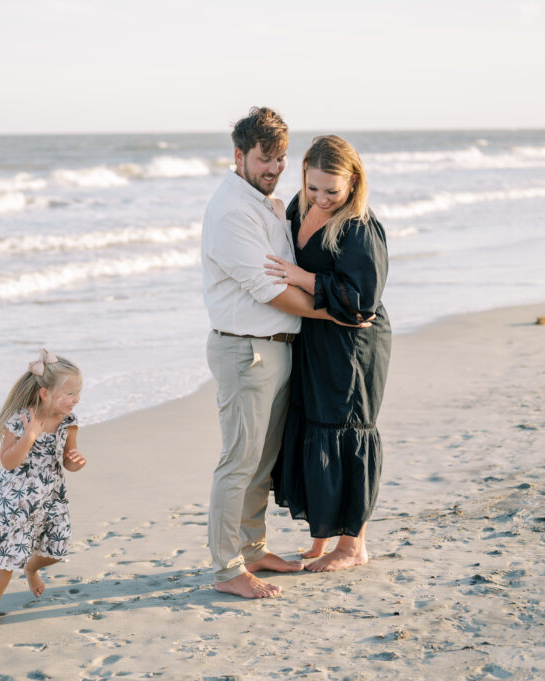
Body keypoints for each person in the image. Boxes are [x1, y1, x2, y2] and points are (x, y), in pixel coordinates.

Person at [201, 108, 369, 599]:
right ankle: (228, 568)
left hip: (276, 349)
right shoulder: (232, 211)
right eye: (263, 159)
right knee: (238, 461)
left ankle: (253, 550)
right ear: (239, 156)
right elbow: (268, 290)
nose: (273, 168)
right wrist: (335, 314)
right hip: (244, 351)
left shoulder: (268, 204)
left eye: (279, 159)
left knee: (261, 461)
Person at [265, 134, 391, 572]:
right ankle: (322, 535)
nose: (320, 198)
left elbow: (361, 301)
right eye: (313, 186)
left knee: (346, 428)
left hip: (352, 344)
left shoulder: (360, 227)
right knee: (315, 423)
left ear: (353, 182)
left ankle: (352, 546)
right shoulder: (300, 207)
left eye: (331, 191)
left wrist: (301, 277)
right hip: (314, 335)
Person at [0, 349, 87, 625]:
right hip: (17, 500)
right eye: (70, 394)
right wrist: (29, 437)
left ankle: (32, 569)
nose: (76, 399)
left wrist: (76, 462)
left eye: (78, 393)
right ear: (45, 394)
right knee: (7, 556)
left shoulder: (68, 422)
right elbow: (8, 462)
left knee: (57, 549)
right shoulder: (20, 420)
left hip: (51, 497)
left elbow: (67, 460)